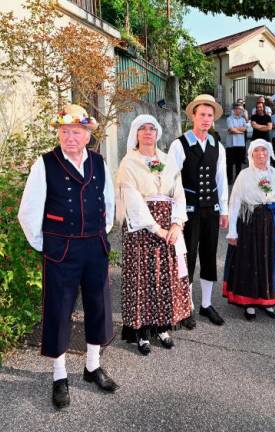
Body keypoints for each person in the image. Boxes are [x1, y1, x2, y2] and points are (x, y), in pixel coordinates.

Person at [18, 104, 119, 410]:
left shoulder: (100, 162)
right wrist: (44, 244)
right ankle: (59, 375)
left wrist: (101, 231)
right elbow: (29, 211)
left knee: (98, 306)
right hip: (61, 248)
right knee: (59, 309)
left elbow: (109, 203)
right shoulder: (44, 164)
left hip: (94, 246)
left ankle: (92, 366)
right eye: (64, 132)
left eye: (76, 132)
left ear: (88, 134)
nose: (70, 138)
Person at [115, 115, 191, 355]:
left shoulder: (168, 161)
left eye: (152, 129)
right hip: (143, 229)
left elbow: (178, 193)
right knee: (143, 279)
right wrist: (156, 228)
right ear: (135, 134)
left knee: (164, 279)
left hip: (169, 227)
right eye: (142, 129)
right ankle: (142, 333)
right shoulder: (129, 162)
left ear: (158, 133)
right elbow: (133, 200)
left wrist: (177, 224)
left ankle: (162, 327)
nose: (148, 133)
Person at [167, 94, 229, 327]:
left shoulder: (217, 146)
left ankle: (206, 304)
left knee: (209, 255)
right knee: (188, 256)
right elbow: (172, 181)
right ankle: (187, 306)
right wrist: (176, 215)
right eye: (201, 114)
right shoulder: (179, 144)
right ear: (193, 116)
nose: (205, 119)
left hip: (210, 210)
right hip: (188, 211)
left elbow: (222, 180)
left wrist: (224, 211)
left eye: (209, 115)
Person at [224, 139, 275, 320]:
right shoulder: (244, 175)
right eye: (257, 151)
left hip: (271, 222)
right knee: (250, 261)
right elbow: (235, 202)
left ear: (268, 153)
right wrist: (232, 231)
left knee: (269, 262)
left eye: (264, 150)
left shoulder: (274, 174)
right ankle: (250, 303)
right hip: (249, 223)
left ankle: (267, 301)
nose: (261, 154)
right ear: (251, 154)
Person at [226, 102, 248, 184]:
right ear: (234, 110)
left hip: (240, 144)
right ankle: (229, 179)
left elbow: (245, 129)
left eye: (241, 109)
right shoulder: (229, 119)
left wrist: (235, 130)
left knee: (239, 163)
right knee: (230, 163)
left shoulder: (243, 119)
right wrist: (239, 131)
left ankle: (238, 179)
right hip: (231, 145)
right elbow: (231, 130)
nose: (239, 111)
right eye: (238, 109)